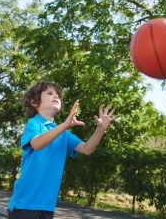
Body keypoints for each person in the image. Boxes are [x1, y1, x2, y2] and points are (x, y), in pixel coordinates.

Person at [8, 80, 116, 219]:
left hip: (47, 207)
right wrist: (65, 125)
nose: (56, 96)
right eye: (50, 93)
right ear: (35, 102)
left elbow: (86, 149)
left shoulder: (63, 133)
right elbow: (37, 144)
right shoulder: (34, 123)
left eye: (58, 94)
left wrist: (100, 130)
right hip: (25, 205)